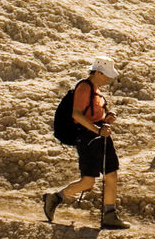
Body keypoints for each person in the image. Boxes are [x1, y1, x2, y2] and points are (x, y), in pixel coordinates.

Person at [43, 57, 131, 229]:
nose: (108, 79)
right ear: (98, 72)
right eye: (106, 75)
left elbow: (91, 115)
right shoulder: (84, 88)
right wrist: (98, 130)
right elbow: (77, 115)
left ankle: (110, 215)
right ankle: (55, 197)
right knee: (88, 182)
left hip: (99, 136)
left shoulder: (96, 91)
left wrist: (106, 119)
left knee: (111, 174)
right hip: (88, 138)